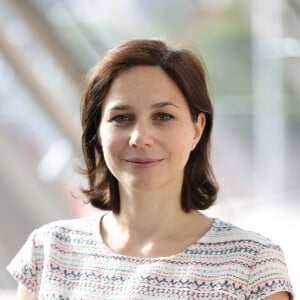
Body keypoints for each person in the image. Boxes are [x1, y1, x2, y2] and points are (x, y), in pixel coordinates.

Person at [7, 39, 294, 300]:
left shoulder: (252, 263)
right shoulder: (48, 250)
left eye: (163, 116)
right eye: (122, 118)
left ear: (197, 129)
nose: (139, 137)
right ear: (97, 130)